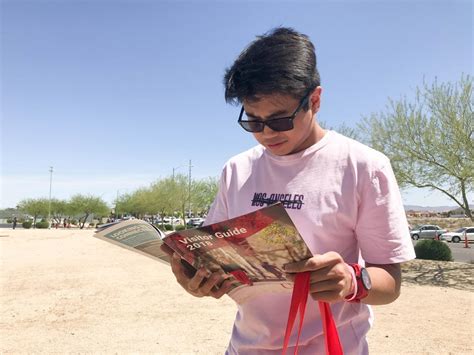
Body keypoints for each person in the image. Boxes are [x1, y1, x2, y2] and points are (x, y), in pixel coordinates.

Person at [164, 27, 415, 354]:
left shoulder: (364, 166)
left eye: (280, 120)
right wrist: (195, 280)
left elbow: (390, 283)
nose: (266, 133)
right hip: (245, 347)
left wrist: (352, 281)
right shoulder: (237, 170)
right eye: (252, 121)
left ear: (315, 100)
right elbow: (215, 256)